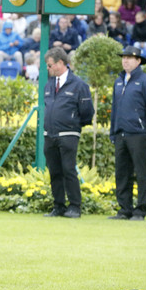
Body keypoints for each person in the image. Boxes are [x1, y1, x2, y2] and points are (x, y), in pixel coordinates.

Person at [109, 46, 146, 221]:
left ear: (139, 61)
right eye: (123, 57)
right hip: (121, 134)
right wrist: (113, 131)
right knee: (122, 173)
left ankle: (140, 210)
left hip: (140, 134)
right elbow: (115, 109)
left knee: (141, 173)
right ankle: (124, 209)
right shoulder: (118, 81)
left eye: (130, 58)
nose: (125, 60)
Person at [42, 48, 95, 218]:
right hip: (49, 134)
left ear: (59, 63)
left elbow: (87, 112)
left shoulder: (79, 85)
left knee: (68, 169)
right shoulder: (49, 84)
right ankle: (58, 206)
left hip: (68, 134)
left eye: (50, 65)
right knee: (54, 171)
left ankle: (74, 206)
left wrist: (73, 125)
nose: (48, 68)